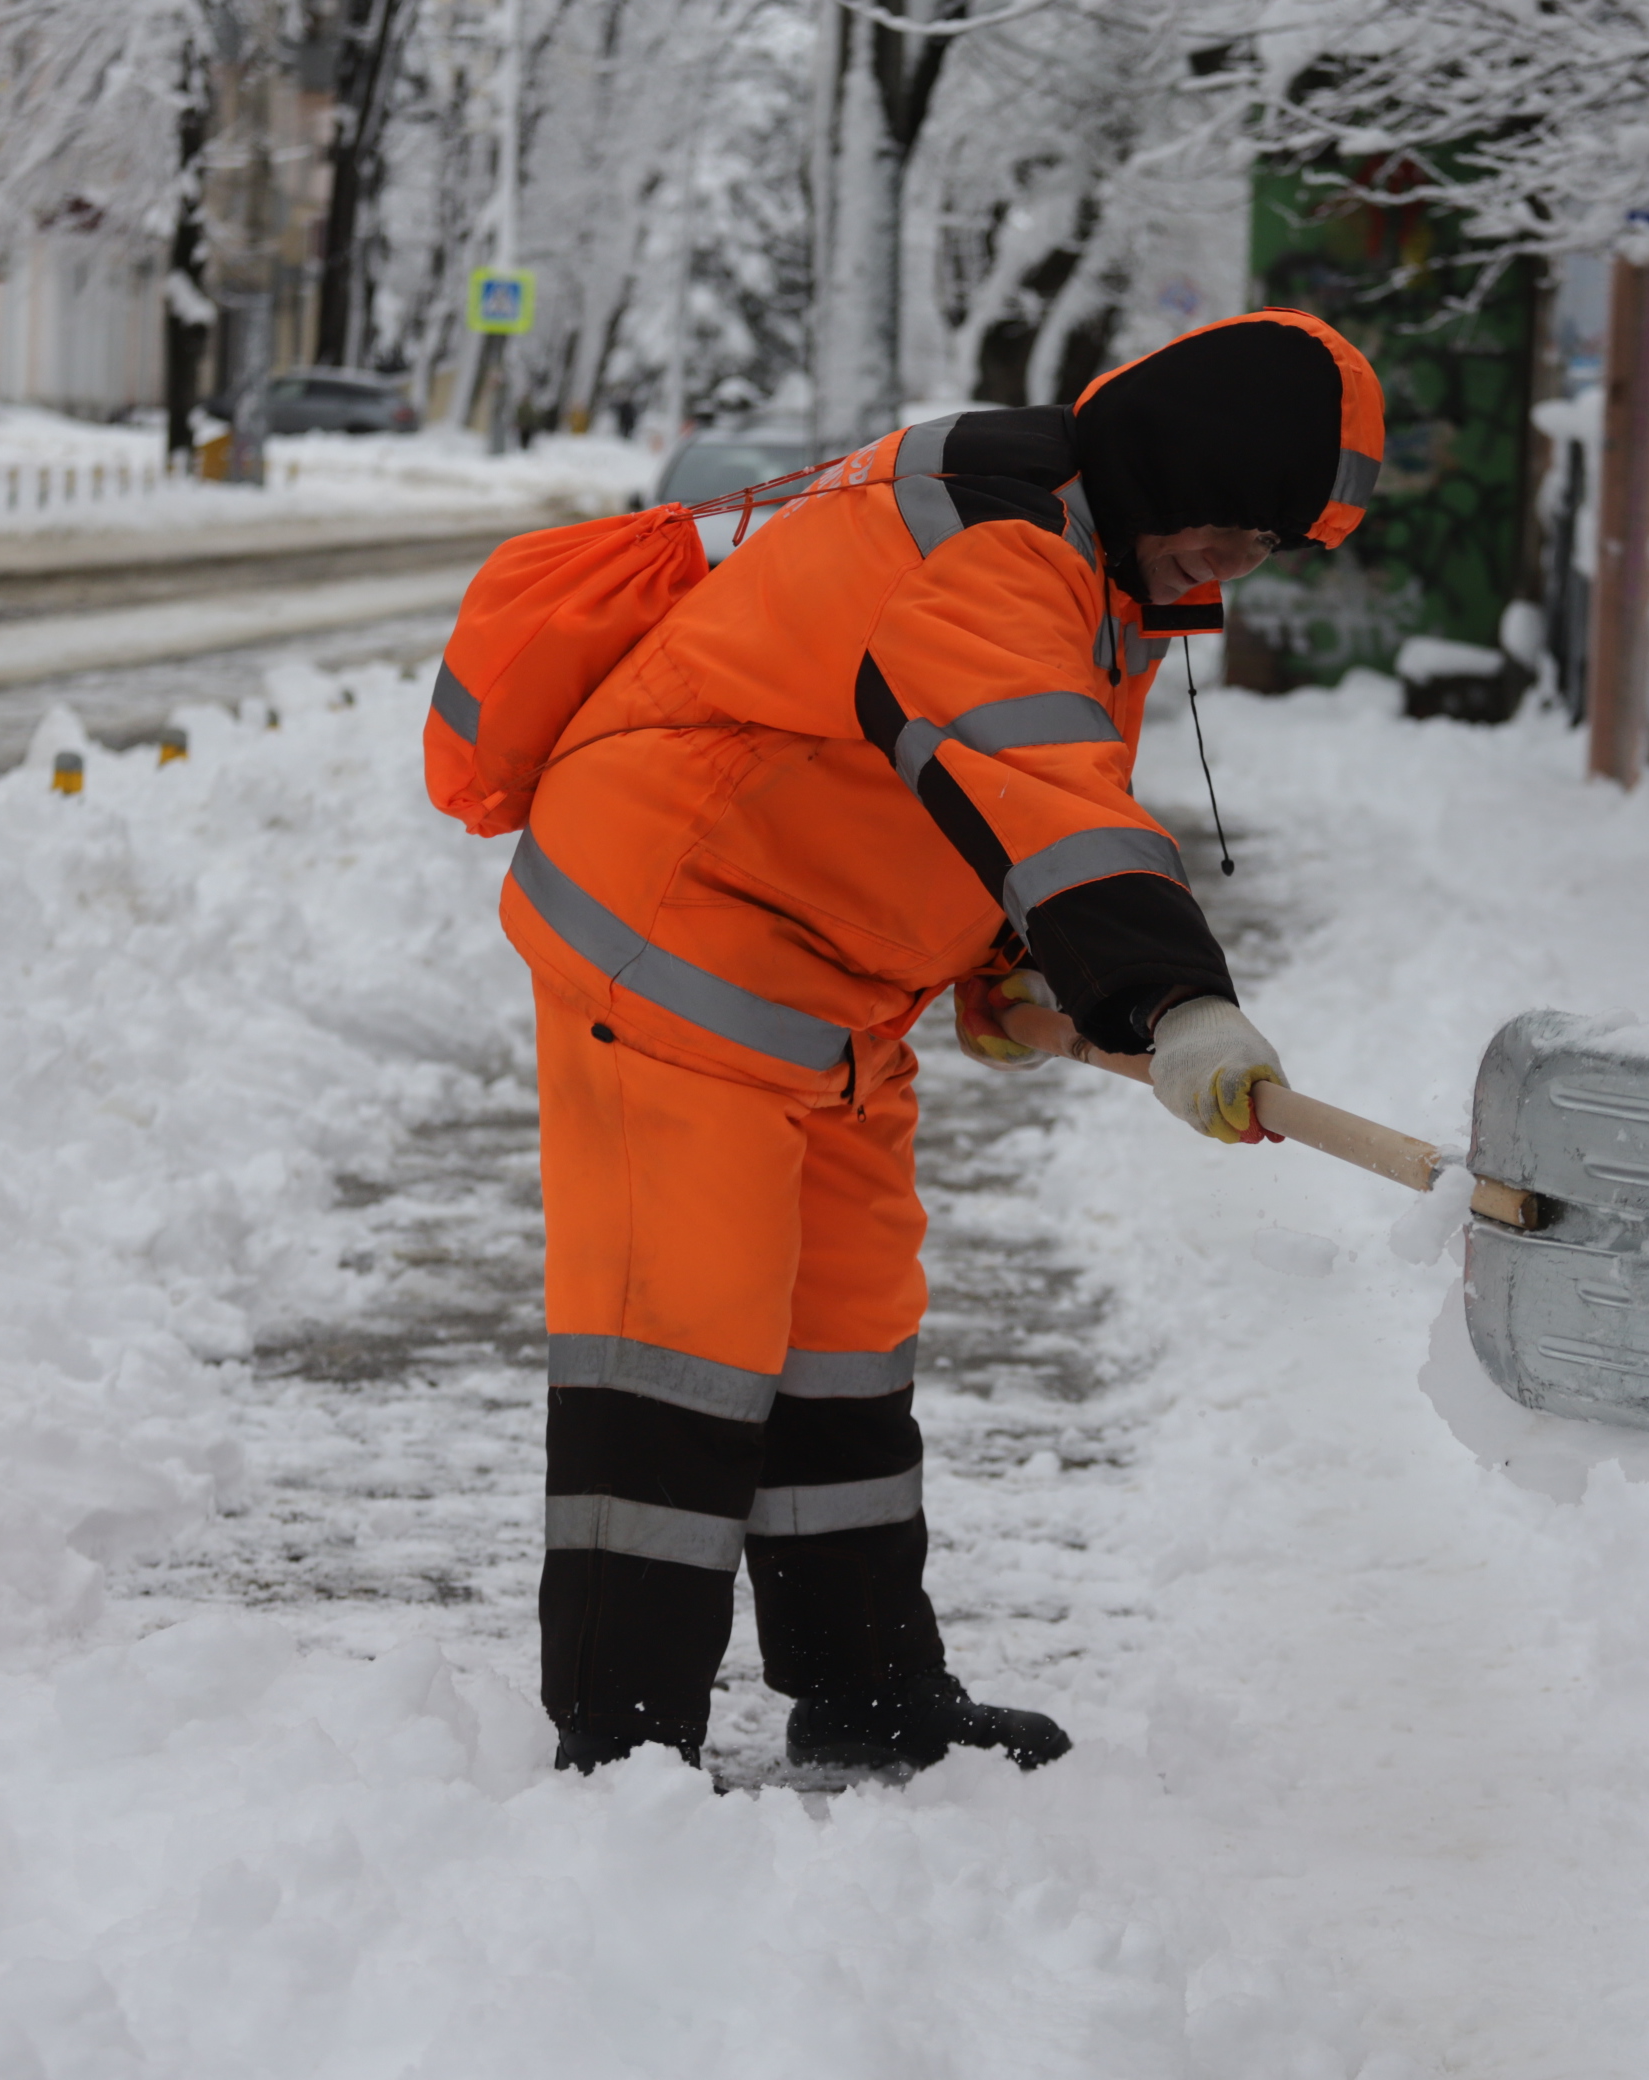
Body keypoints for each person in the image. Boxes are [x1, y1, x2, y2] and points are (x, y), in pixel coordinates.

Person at [477, 309, 1385, 1775]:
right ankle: (621, 1743)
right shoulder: (996, 543)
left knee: (845, 1336)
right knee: (681, 1340)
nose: (1236, 570)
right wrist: (1169, 998)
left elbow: (955, 792)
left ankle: (867, 1688)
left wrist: (1008, 969)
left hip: (827, 987)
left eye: (1266, 549)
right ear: (1167, 468)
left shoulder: (1102, 562)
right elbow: (1030, 769)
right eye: (1229, 529)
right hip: (674, 942)